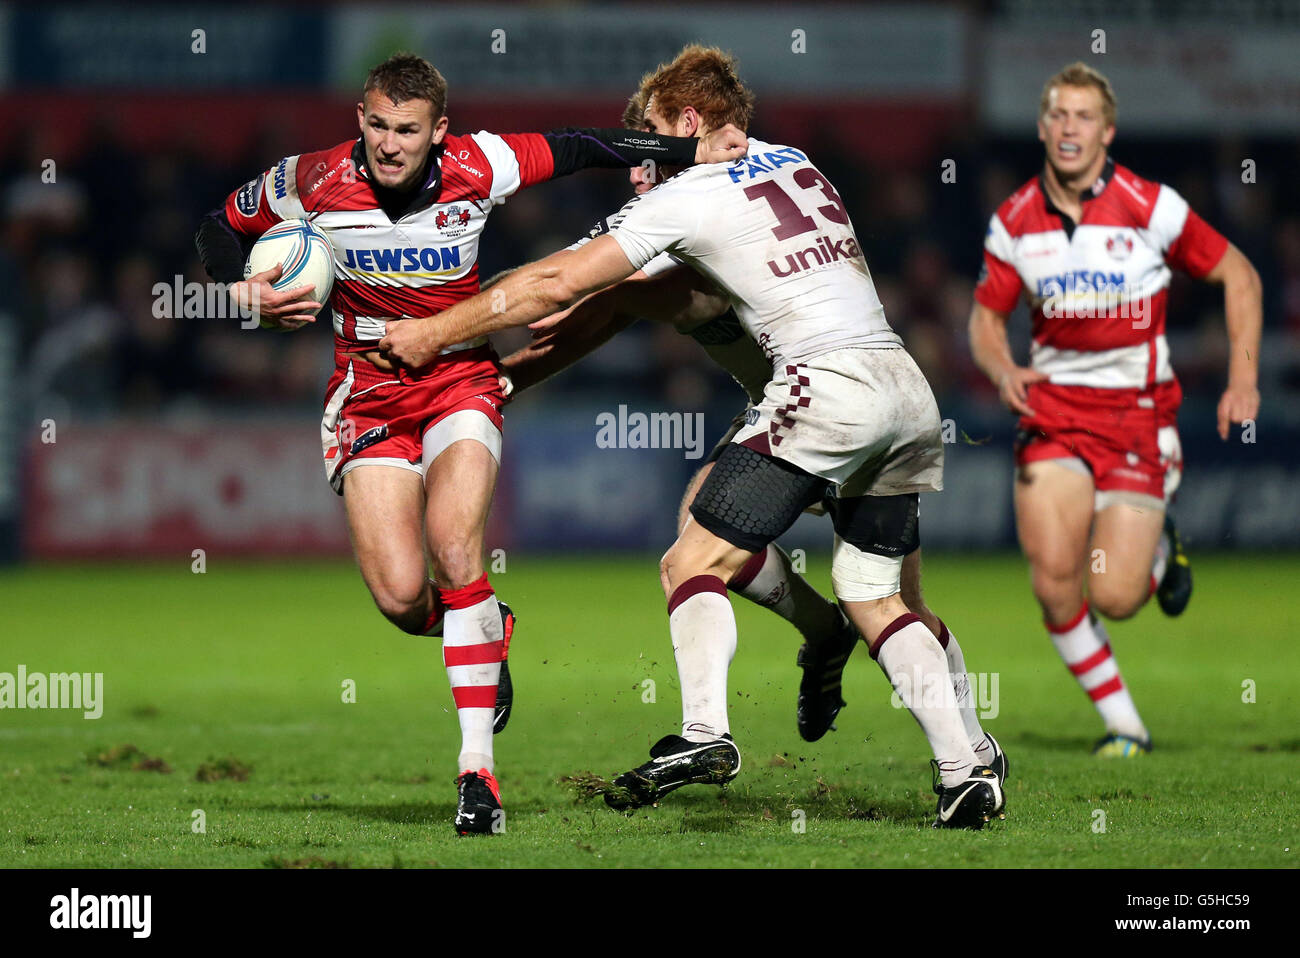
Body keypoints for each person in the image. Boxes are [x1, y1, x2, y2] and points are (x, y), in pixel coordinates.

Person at [383, 46, 1007, 829]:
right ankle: (967, 768)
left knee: (688, 561)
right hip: (904, 388)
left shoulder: (692, 194)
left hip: (822, 392)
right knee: (877, 598)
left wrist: (437, 331)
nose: (644, 154)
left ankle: (707, 731)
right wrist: (508, 380)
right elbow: (616, 305)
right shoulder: (800, 162)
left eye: (652, 134)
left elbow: (559, 286)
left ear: (688, 124)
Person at [194, 52, 749, 834]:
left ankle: (476, 776)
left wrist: (689, 153)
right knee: (399, 596)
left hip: (460, 381)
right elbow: (218, 228)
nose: (391, 144)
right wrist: (240, 292)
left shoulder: (479, 163)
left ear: (438, 131)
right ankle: (487, 624)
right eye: (379, 126)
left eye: (409, 130)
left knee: (458, 551)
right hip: (368, 400)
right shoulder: (309, 181)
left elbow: (586, 146)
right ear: (361, 117)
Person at [968, 62, 1261, 756]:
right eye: (1059, 115)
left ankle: (1158, 549)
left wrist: (1241, 379)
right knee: (1054, 581)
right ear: (1043, 128)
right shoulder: (1013, 221)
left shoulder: (1149, 206)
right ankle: (1125, 726)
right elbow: (984, 320)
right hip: (1053, 417)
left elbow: (1238, 274)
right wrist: (1002, 366)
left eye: (1084, 116)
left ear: (1108, 131)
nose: (1070, 128)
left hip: (1136, 419)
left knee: (1117, 597)